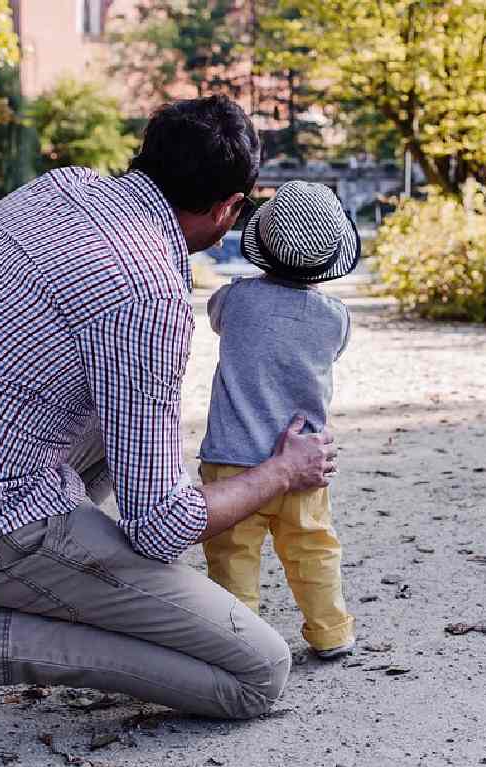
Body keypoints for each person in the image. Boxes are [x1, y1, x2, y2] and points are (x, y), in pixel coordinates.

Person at [0, 96, 338, 747]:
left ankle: (55, 578)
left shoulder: (63, 185)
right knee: (256, 671)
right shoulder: (148, 292)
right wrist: (280, 471)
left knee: (130, 417)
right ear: (225, 209)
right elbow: (165, 526)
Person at [199, 180, 359, 660]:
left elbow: (213, 317)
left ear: (261, 246)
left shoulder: (235, 300)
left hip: (231, 464)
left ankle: (239, 642)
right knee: (313, 550)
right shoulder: (335, 317)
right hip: (303, 462)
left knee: (232, 559)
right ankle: (331, 632)